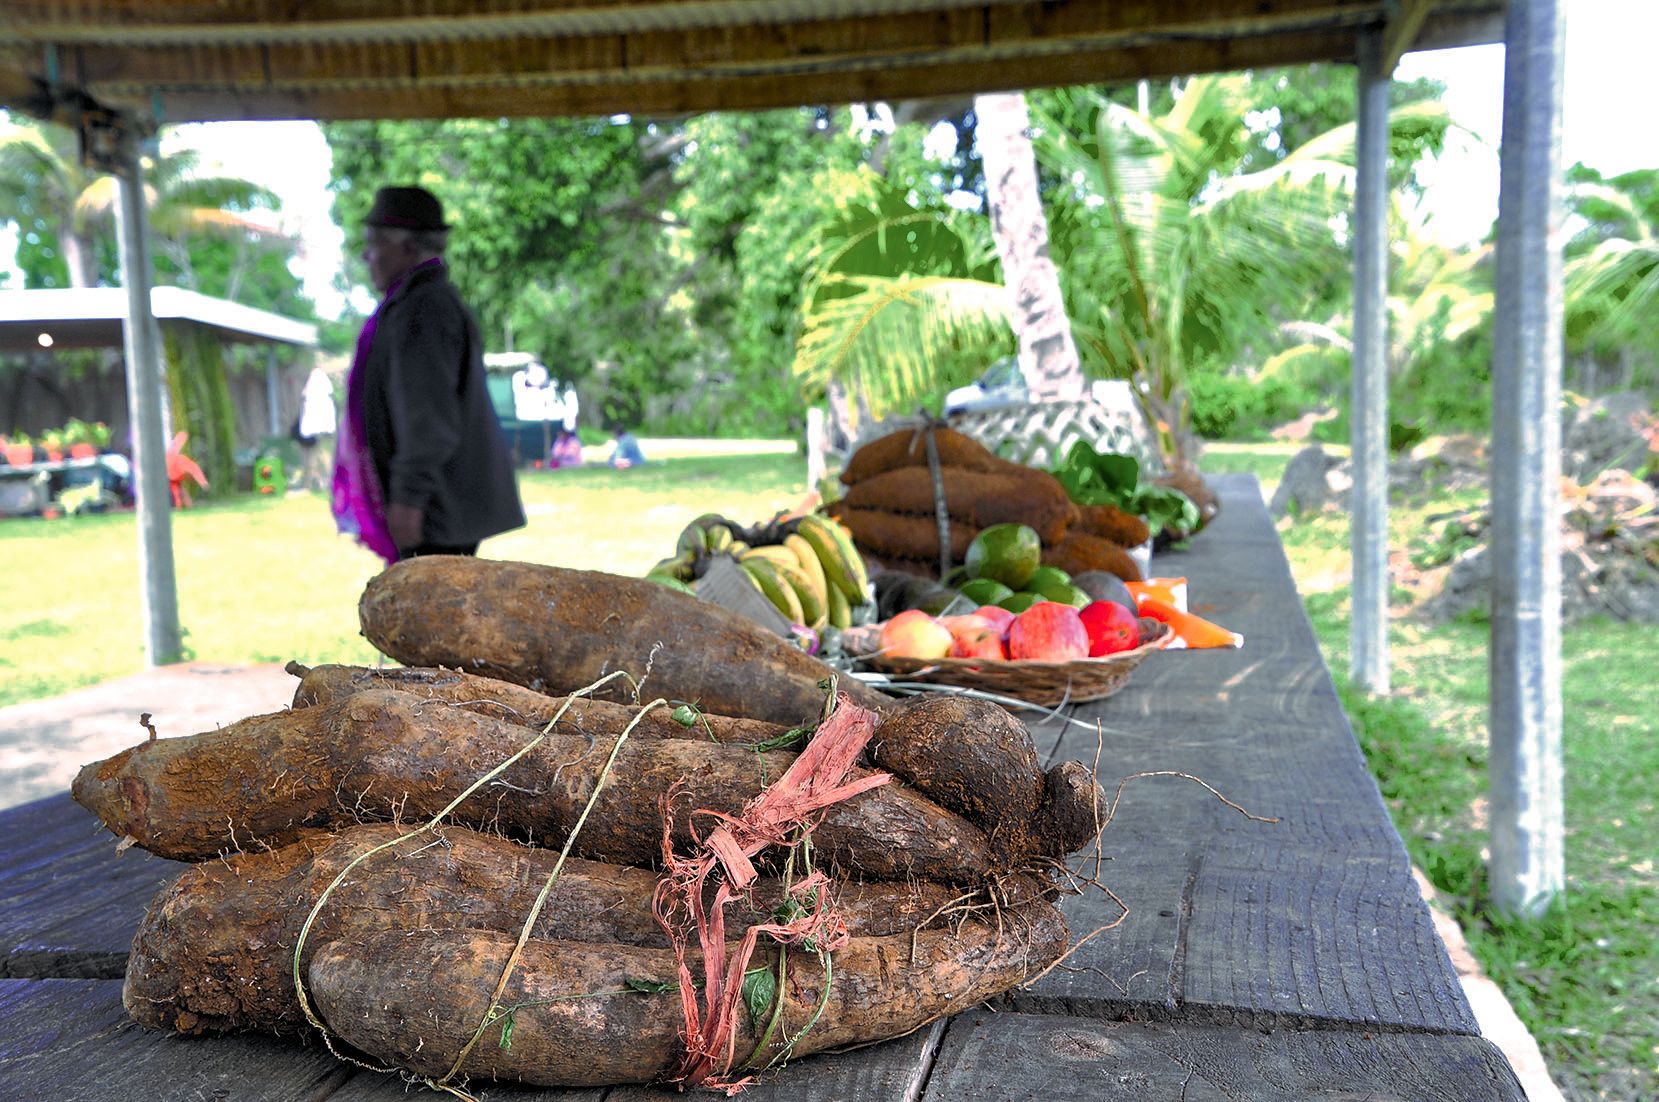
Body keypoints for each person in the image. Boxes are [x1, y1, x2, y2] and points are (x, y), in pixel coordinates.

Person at [333, 186, 525, 562]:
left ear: (406, 248)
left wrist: (408, 499)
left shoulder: (423, 309)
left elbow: (428, 418)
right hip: (440, 507)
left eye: (374, 243)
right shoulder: (421, 301)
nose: (366, 255)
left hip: (436, 510)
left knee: (431, 614)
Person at [295, 364, 337, 491]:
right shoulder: (319, 396)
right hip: (316, 433)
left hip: (320, 432)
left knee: (320, 455)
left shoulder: (322, 398)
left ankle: (324, 481)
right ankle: (314, 481)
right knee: (315, 456)